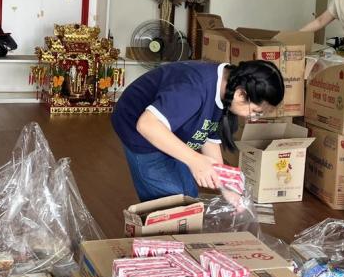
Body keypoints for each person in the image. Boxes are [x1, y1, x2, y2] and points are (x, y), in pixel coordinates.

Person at [111, 60, 285, 201]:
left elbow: (208, 135)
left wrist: (225, 185)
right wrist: (195, 160)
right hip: (139, 127)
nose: (253, 118)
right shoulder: (194, 88)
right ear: (241, 95)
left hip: (171, 126)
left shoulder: (228, 87)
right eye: (255, 112)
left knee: (189, 196)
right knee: (171, 202)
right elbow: (147, 125)